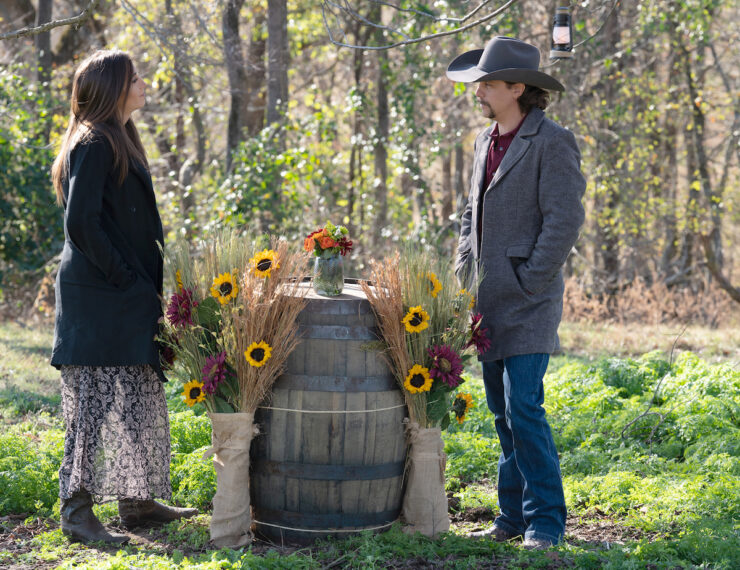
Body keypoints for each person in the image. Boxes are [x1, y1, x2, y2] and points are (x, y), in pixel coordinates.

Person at [50, 50, 197, 545]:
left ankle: (137, 503)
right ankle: (76, 512)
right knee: (91, 406)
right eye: (135, 77)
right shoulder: (92, 143)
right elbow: (81, 224)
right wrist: (128, 282)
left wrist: (140, 288)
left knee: (136, 390)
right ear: (114, 87)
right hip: (99, 297)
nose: (143, 82)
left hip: (126, 295)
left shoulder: (120, 138)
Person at [446, 36, 586, 549]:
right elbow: (471, 216)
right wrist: (464, 275)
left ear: (517, 88)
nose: (479, 90)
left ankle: (546, 520)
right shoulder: (485, 141)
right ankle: (511, 517)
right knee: (502, 415)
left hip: (530, 302)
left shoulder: (552, 141)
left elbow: (565, 220)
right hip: (485, 303)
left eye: (488, 82)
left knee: (524, 407)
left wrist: (528, 279)